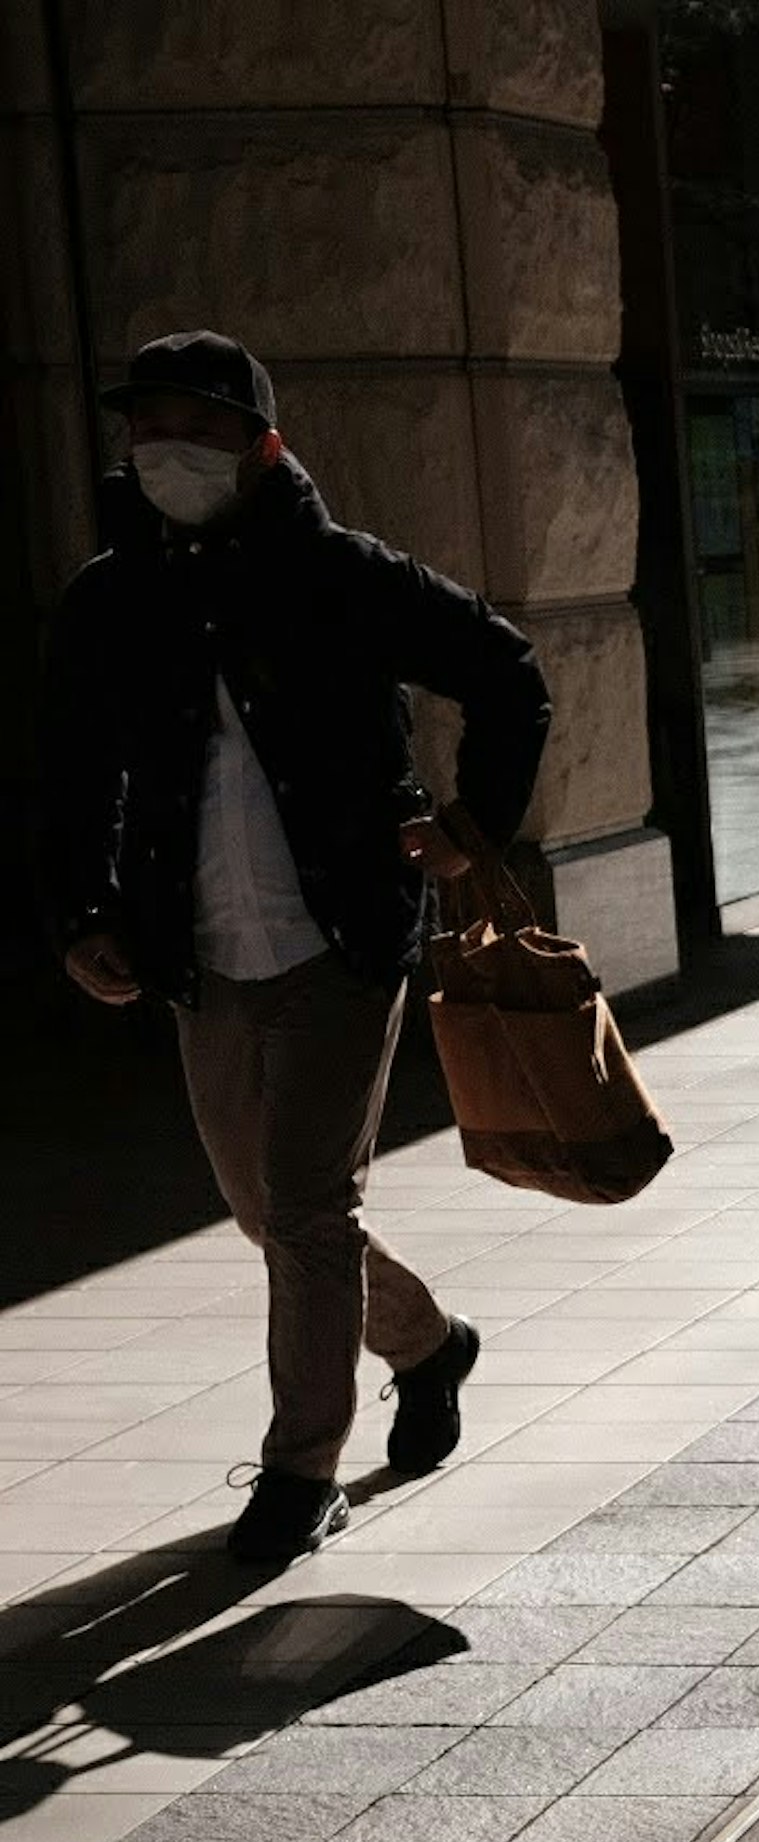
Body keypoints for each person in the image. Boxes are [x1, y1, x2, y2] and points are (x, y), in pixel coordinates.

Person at [38, 331, 546, 1564]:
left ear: (263, 446)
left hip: (341, 939)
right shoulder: (111, 599)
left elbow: (506, 672)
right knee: (269, 1211)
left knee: (312, 1205)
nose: (168, 450)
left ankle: (299, 1467)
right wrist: (87, 914)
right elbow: (73, 771)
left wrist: (469, 826)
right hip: (199, 952)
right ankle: (429, 1343)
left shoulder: (342, 577)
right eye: (148, 426)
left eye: (200, 429)